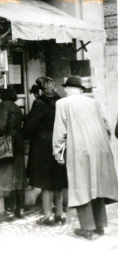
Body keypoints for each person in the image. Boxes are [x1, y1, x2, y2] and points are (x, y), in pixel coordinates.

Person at [53, 75, 118, 239]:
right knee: (97, 186)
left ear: (67, 88)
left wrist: (58, 152)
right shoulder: (93, 102)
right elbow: (106, 126)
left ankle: (87, 228)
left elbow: (60, 131)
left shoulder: (62, 103)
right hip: (99, 147)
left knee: (81, 186)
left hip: (79, 149)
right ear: (81, 89)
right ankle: (100, 225)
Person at [24, 77, 68, 226]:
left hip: (43, 144)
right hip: (60, 142)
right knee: (58, 179)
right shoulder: (61, 101)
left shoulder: (40, 103)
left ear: (41, 89)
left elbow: (30, 125)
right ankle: (60, 213)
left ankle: (48, 215)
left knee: (45, 181)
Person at [0, 85, 25, 219]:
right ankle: (20, 209)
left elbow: (0, 127)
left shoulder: (3, 106)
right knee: (17, 177)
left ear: (1, 96)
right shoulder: (16, 107)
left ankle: (9, 211)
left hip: (6, 144)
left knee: (6, 177)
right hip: (18, 142)